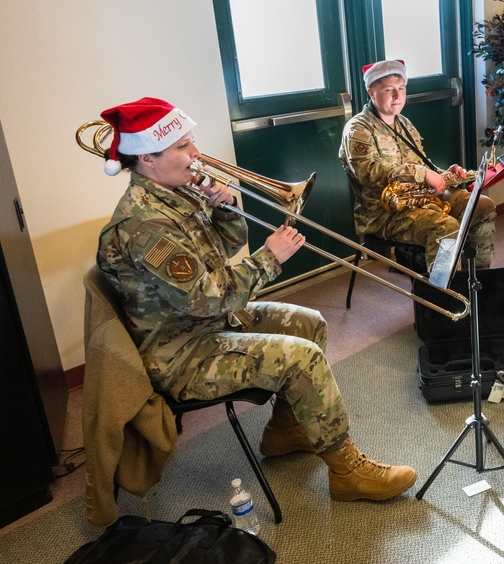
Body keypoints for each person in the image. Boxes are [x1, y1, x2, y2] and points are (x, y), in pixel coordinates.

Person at [96, 97, 416, 503]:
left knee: (310, 322)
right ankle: (347, 470)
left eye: (191, 142)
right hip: (181, 354)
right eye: (182, 147)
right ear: (146, 159)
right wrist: (270, 258)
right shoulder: (144, 224)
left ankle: (284, 432)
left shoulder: (178, 195)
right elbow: (207, 300)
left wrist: (226, 208)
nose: (196, 155)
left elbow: (229, 247)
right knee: (303, 357)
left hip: (207, 326)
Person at [340, 60, 496, 271]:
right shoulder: (357, 129)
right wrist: (421, 173)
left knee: (482, 205)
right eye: (389, 90)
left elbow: (421, 164)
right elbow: (368, 174)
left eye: (401, 88)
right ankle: (443, 296)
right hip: (384, 214)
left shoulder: (404, 124)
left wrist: (445, 174)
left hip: (421, 198)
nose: (397, 96)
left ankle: (477, 279)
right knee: (446, 227)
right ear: (371, 92)